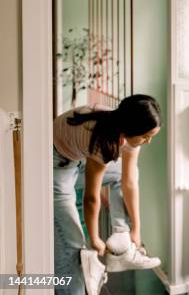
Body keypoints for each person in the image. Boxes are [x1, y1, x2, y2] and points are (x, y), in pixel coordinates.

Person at [53, 94, 163, 295]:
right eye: (146, 136)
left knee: (128, 172)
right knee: (74, 245)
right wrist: (94, 238)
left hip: (76, 161)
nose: (148, 141)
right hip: (54, 166)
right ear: (132, 128)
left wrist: (135, 231)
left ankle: (121, 244)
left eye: (152, 136)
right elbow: (91, 198)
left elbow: (128, 181)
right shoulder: (102, 140)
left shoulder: (127, 132)